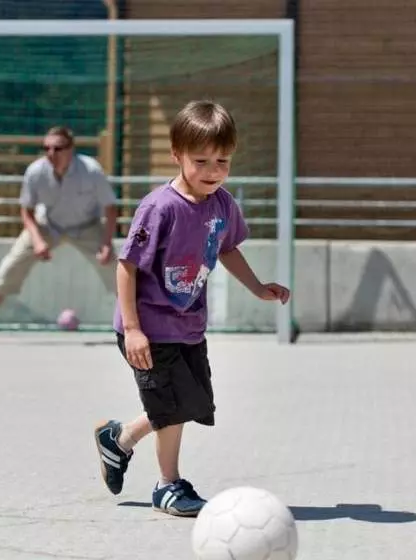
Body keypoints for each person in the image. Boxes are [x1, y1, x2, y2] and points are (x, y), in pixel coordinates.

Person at [92, 100, 291, 516]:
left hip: (188, 326)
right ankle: (168, 485)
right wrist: (132, 329)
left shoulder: (222, 204)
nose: (213, 170)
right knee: (172, 406)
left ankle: (120, 440)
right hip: (148, 328)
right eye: (201, 160)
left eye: (223, 160)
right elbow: (127, 267)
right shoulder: (160, 207)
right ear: (176, 154)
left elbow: (228, 247)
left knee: (192, 402)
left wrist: (256, 287)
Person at [0, 126, 118, 344]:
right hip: (48, 225)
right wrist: (37, 240)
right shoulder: (35, 171)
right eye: (46, 148)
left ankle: (138, 330)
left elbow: (110, 208)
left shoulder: (91, 171)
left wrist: (107, 243)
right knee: (9, 268)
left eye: (58, 148)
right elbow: (27, 210)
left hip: (87, 227)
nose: (51, 153)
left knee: (119, 272)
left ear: (71, 149)